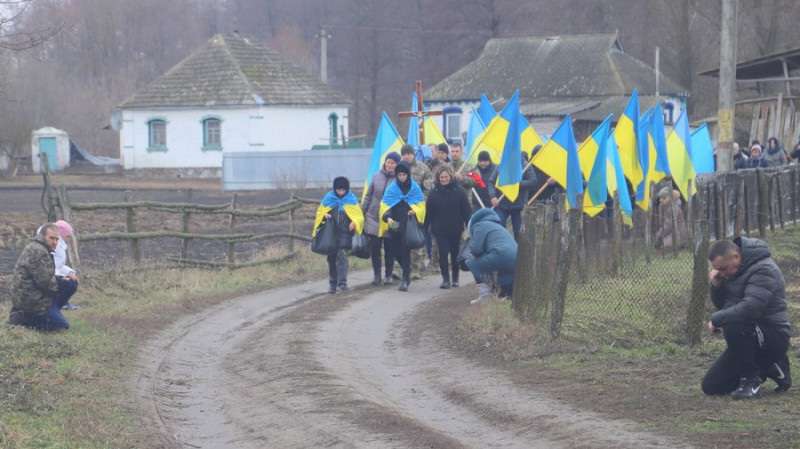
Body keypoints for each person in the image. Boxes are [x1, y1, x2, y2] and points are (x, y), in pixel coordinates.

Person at [702, 237, 791, 399]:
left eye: (723, 269)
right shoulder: (734, 270)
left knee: (733, 321)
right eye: (717, 270)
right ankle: (773, 366)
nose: (721, 273)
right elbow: (725, 306)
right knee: (711, 386)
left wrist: (716, 319)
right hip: (749, 336)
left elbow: (749, 309)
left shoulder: (764, 269)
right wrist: (716, 284)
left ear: (736, 256)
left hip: (773, 336)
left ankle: (751, 380)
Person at [8, 223, 70, 331]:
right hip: (30, 299)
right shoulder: (38, 251)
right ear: (42, 236)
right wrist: (61, 282)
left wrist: (62, 279)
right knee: (61, 326)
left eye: (57, 239)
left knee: (70, 283)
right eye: (51, 238)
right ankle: (23, 318)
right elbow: (46, 284)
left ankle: (51, 312)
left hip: (30, 294)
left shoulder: (41, 248)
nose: (55, 242)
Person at [380, 162, 426, 292]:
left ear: (408, 175)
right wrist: (387, 217)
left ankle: (405, 279)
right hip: (394, 224)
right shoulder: (392, 188)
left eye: (404, 174)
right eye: (399, 175)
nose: (402, 177)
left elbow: (421, 206)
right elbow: (385, 205)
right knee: (396, 251)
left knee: (405, 250)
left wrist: (414, 211)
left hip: (408, 224)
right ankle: (407, 269)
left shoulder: (414, 188)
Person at [314, 177, 364, 294]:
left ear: (347, 189)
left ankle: (342, 283)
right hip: (331, 234)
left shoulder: (351, 199)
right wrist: (325, 216)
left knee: (342, 257)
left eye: (343, 190)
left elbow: (359, 216)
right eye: (338, 190)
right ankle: (332, 283)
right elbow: (320, 213)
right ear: (335, 189)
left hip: (345, 234)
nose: (340, 192)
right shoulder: (328, 198)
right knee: (331, 258)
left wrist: (354, 222)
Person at [424, 165, 472, 289]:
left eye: (446, 177)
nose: (444, 179)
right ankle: (446, 279)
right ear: (438, 178)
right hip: (439, 229)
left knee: (455, 254)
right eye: (441, 177)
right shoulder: (434, 193)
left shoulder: (459, 191)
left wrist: (469, 226)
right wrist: (425, 227)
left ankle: (455, 277)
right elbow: (428, 211)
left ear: (450, 177)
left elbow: (466, 211)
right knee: (443, 254)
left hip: (455, 229)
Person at [361, 152, 400, 285]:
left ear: (397, 165)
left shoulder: (399, 180)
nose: (389, 165)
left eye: (393, 163)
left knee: (390, 248)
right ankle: (377, 275)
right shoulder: (376, 177)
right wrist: (361, 212)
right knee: (375, 248)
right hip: (374, 218)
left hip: (390, 218)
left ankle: (388, 274)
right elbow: (368, 196)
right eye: (388, 162)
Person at [465, 209, 518, 304]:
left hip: (501, 255)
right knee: (504, 296)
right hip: (517, 259)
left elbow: (476, 250)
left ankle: (485, 295)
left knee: (472, 262)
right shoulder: (499, 226)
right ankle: (502, 293)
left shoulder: (479, 225)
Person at [401, 144, 433, 278]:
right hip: (401, 210)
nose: (406, 156)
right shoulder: (399, 168)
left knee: (417, 237)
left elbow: (428, 189)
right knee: (401, 238)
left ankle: (417, 268)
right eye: (404, 153)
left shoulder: (423, 168)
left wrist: (419, 205)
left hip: (418, 209)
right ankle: (402, 267)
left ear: (413, 154)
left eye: (408, 153)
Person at [495, 152, 538, 240]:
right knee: (499, 227)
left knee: (519, 232)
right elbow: (492, 181)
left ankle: (518, 251)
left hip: (519, 204)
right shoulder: (502, 164)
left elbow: (533, 181)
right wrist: (493, 196)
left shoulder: (525, 165)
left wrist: (517, 184)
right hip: (503, 203)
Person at [52, 220, 81, 310]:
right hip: (51, 276)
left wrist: (68, 272)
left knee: (72, 281)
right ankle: (56, 305)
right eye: (67, 236)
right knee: (70, 285)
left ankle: (61, 303)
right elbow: (51, 265)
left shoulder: (60, 245)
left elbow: (58, 265)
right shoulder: (55, 246)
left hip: (55, 274)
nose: (68, 239)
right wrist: (59, 277)